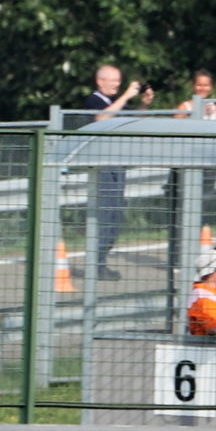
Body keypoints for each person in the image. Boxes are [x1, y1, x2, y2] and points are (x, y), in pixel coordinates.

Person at [84, 64, 152, 281]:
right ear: (100, 81)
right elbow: (100, 120)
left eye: (119, 81)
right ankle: (96, 265)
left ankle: (101, 261)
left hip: (118, 163)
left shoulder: (116, 102)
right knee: (105, 215)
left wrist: (143, 103)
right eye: (112, 81)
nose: (117, 85)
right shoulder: (94, 100)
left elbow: (133, 121)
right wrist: (125, 96)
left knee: (115, 215)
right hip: (103, 165)